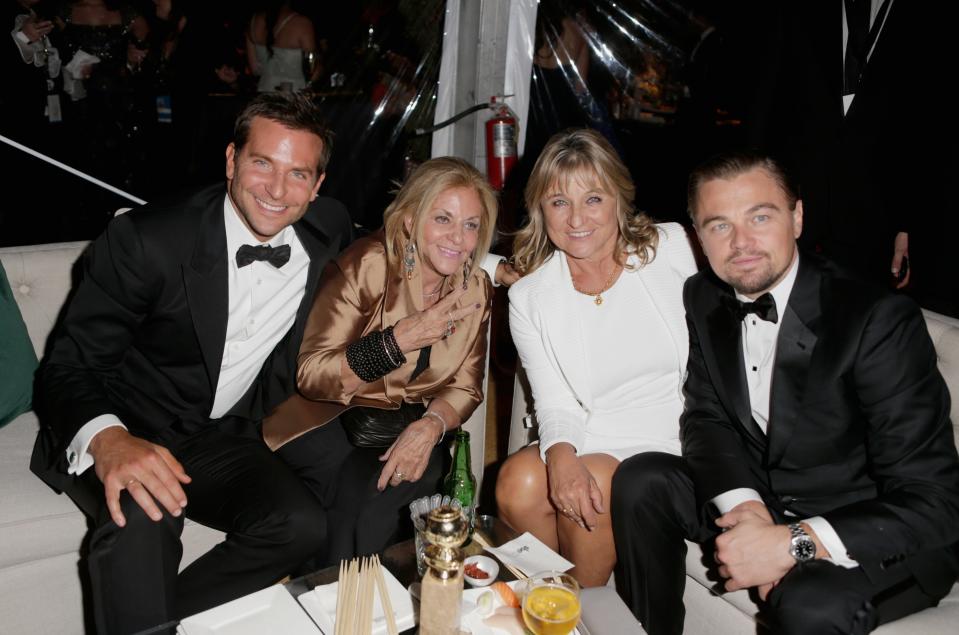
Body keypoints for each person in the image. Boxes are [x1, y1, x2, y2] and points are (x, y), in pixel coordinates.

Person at [31, 91, 353, 633]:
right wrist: (110, 440)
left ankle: (157, 621)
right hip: (121, 421)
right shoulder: (147, 241)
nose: (277, 190)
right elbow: (66, 367)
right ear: (231, 161)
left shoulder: (330, 229)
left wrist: (487, 267)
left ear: (318, 186)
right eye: (261, 164)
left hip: (215, 433)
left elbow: (402, 251)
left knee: (300, 524)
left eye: (298, 174)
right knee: (144, 516)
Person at [610, 150, 959, 635]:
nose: (741, 243)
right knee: (643, 480)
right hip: (769, 500)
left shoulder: (875, 319)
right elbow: (706, 418)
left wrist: (789, 545)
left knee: (811, 603)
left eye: (760, 216)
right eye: (719, 225)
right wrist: (745, 509)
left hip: (870, 526)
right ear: (697, 238)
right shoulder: (704, 296)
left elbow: (935, 502)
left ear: (797, 217)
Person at [268, 156, 497, 562]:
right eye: (442, 219)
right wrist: (398, 341)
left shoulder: (475, 288)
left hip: (397, 421)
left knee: (424, 469)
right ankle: (340, 600)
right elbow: (312, 374)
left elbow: (466, 386)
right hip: (325, 413)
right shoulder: (370, 265)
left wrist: (431, 425)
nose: (459, 238)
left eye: (471, 224)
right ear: (410, 221)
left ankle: (381, 596)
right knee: (366, 490)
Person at [495, 129, 697, 587]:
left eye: (593, 199)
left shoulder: (670, 249)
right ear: (539, 210)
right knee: (516, 484)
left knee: (597, 486)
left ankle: (584, 609)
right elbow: (554, 400)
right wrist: (561, 456)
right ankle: (549, 602)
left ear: (619, 200)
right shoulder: (531, 295)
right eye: (558, 202)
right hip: (592, 430)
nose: (576, 218)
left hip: (675, 435)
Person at [246, 0, 319, 92]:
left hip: (264, 94)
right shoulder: (302, 24)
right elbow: (314, 71)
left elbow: (255, 70)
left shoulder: (254, 21)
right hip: (294, 95)